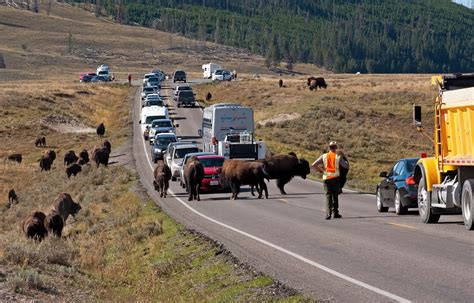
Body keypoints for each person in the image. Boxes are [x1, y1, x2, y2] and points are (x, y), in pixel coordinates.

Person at [312, 141, 349, 220]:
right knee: (335, 196)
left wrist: (321, 171)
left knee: (328, 196)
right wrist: (345, 161)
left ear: (328, 147)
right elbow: (346, 166)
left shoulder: (324, 156)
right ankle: (335, 213)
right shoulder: (338, 157)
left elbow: (313, 165)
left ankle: (328, 214)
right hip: (335, 178)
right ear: (336, 148)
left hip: (326, 178)